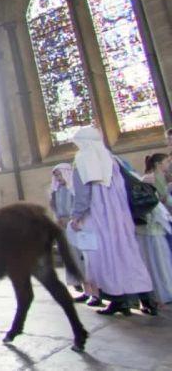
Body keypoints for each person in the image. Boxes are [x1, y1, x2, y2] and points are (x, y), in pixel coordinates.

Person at [69, 127, 155, 315]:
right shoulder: (112, 159)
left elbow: (83, 194)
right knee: (128, 254)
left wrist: (76, 216)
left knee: (106, 257)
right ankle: (147, 300)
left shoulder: (83, 159)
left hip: (99, 215)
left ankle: (119, 301)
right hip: (119, 214)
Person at [50, 163, 94, 305]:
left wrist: (72, 218)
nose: (57, 178)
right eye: (55, 175)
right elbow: (55, 207)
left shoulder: (73, 189)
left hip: (77, 226)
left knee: (84, 259)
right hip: (64, 227)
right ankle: (83, 289)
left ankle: (92, 291)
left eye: (59, 174)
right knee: (73, 258)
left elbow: (78, 205)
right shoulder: (56, 191)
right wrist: (58, 218)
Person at [138, 153, 172, 307]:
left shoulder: (152, 176)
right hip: (156, 224)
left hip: (154, 226)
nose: (168, 164)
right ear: (158, 164)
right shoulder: (155, 177)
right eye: (166, 162)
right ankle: (166, 292)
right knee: (162, 261)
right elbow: (162, 199)